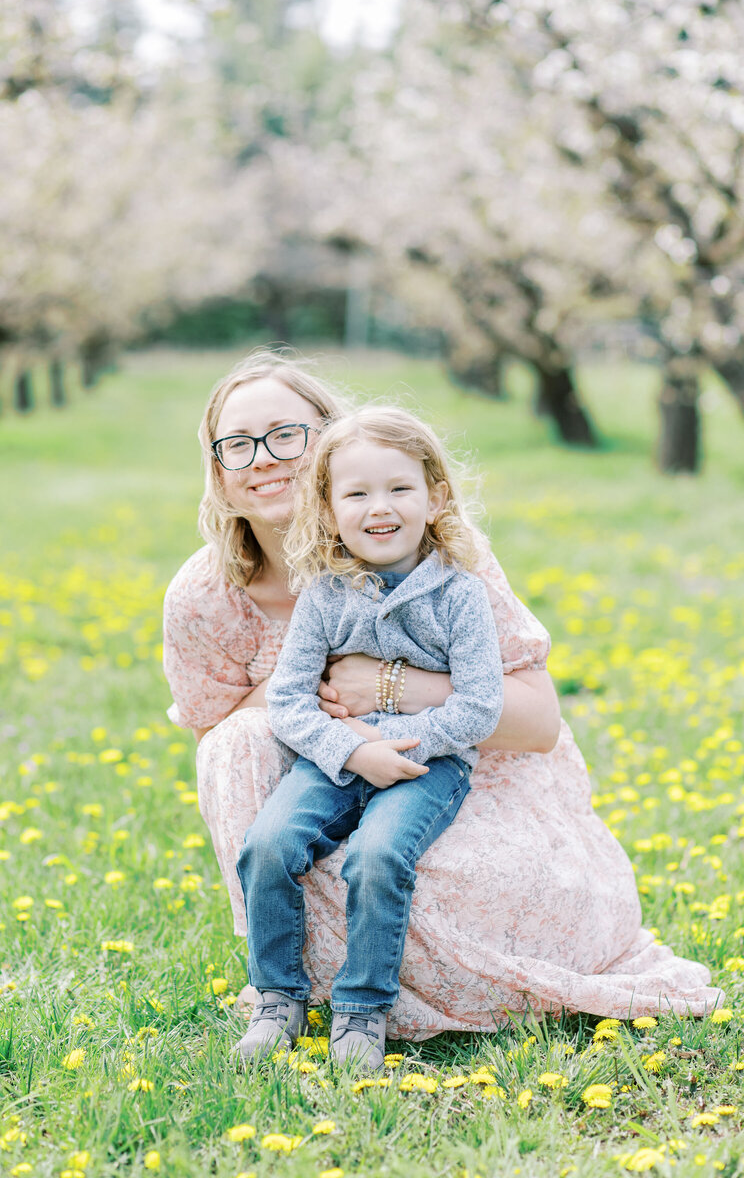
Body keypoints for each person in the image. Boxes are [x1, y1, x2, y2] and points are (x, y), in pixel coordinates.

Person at [162, 349, 723, 1045]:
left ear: (334, 444)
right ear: (217, 471)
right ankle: (285, 983)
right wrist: (320, 712)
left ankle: (372, 999)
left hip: (455, 772)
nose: (263, 459)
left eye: (286, 434)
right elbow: (221, 757)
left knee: (423, 873)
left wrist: (393, 687)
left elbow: (538, 720)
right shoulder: (202, 596)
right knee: (241, 750)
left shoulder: (433, 554)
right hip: (323, 776)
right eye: (237, 445)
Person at [234, 408, 504, 1067]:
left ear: (435, 497)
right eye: (356, 493)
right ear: (327, 509)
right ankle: (278, 997)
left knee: (378, 857)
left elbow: (480, 707)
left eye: (400, 489)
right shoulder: (323, 596)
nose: (379, 508)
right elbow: (289, 702)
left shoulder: (461, 595)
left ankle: (361, 1009)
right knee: (269, 844)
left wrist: (404, 748)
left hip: (427, 764)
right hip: (335, 754)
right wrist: (352, 750)